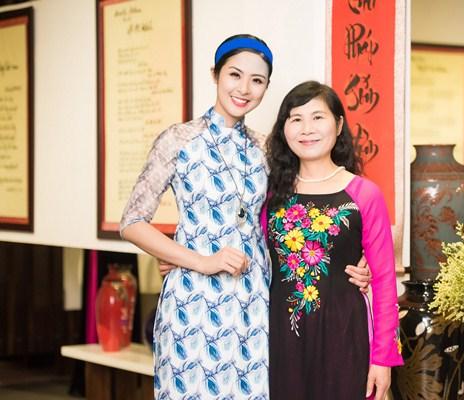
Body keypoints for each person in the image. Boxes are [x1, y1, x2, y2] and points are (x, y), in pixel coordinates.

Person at [120, 35, 370, 399]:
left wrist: (355, 258)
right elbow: (132, 222)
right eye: (234, 75)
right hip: (193, 299)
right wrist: (198, 260)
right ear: (215, 75)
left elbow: (304, 211)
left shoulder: (266, 148)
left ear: (266, 87)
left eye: (257, 80)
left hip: (255, 300)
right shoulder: (178, 140)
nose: (244, 89)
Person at [264, 81, 403, 400]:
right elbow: (244, 249)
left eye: (318, 117)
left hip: (345, 335)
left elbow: (384, 281)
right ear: (284, 129)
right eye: (296, 119)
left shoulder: (364, 194)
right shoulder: (271, 196)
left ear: (339, 125)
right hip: (282, 339)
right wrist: (180, 260)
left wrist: (382, 359)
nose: (306, 129)